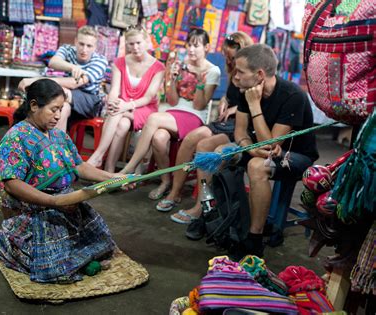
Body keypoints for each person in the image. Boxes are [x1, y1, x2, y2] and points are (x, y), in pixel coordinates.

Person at [0, 79, 123, 283]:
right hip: (35, 208)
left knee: (102, 243)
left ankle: (78, 257)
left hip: (66, 202)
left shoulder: (58, 136)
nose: (58, 115)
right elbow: (12, 183)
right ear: (34, 105)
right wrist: (53, 202)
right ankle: (7, 241)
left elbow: (78, 165)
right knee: (54, 269)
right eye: (53, 109)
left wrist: (113, 177)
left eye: (61, 109)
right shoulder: (15, 138)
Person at [220, 44, 318, 257]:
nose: (235, 77)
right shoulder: (247, 91)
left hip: (296, 156)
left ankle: (255, 238)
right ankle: (231, 224)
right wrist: (250, 149)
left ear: (260, 75)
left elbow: (271, 145)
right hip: (261, 150)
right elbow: (240, 133)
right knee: (221, 153)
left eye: (240, 71)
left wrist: (255, 106)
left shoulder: (293, 96)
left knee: (257, 166)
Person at [156, 32, 254, 224]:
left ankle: (202, 204)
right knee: (192, 138)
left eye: (232, 57)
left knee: (203, 145)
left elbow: (252, 104)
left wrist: (237, 107)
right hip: (227, 122)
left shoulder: (250, 72)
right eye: (226, 56)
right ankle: (175, 192)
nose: (229, 60)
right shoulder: (234, 69)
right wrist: (226, 99)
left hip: (240, 125)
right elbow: (234, 95)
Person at [119, 29, 221, 201]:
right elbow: (173, 101)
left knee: (153, 118)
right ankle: (166, 181)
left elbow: (199, 105)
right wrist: (171, 78)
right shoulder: (181, 65)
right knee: (158, 137)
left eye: (196, 46)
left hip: (194, 117)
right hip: (174, 113)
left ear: (207, 47)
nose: (191, 50)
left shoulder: (213, 71)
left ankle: (129, 169)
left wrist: (199, 83)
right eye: (189, 45)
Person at [86, 26, 165, 172]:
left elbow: (148, 97)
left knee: (117, 112)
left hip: (144, 108)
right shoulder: (119, 62)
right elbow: (115, 90)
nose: (135, 47)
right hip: (123, 105)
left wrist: (125, 105)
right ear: (126, 44)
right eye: (131, 44)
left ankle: (98, 156)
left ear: (147, 41)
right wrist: (112, 100)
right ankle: (109, 169)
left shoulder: (158, 67)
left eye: (138, 43)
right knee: (122, 125)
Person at [18, 26, 108, 131]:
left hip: (89, 102)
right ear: (75, 41)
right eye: (81, 44)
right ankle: (51, 144)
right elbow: (53, 62)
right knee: (62, 108)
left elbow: (74, 83)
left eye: (89, 46)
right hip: (66, 98)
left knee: (60, 92)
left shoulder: (100, 61)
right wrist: (72, 67)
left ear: (95, 47)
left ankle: (52, 143)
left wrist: (35, 80)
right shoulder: (67, 49)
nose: (84, 49)